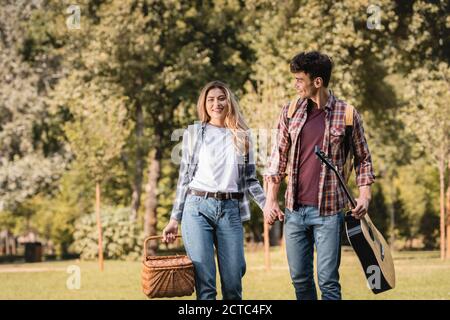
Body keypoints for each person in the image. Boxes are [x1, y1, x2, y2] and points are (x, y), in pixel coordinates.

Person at [263, 51, 376, 300]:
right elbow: (277, 158)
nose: (295, 85)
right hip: (294, 211)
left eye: (299, 80)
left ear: (318, 82)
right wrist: (271, 200)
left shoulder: (347, 114)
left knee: (328, 282)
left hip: (329, 212)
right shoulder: (290, 111)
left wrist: (364, 196)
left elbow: (363, 159)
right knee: (300, 281)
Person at [163, 80, 266, 300]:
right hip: (197, 208)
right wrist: (174, 219)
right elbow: (184, 179)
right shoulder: (194, 133)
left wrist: (267, 205)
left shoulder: (243, 136)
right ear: (204, 104)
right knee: (206, 285)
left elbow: (251, 179)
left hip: (230, 210)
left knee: (233, 285)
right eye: (211, 99)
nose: (216, 103)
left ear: (228, 102)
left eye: (221, 98)